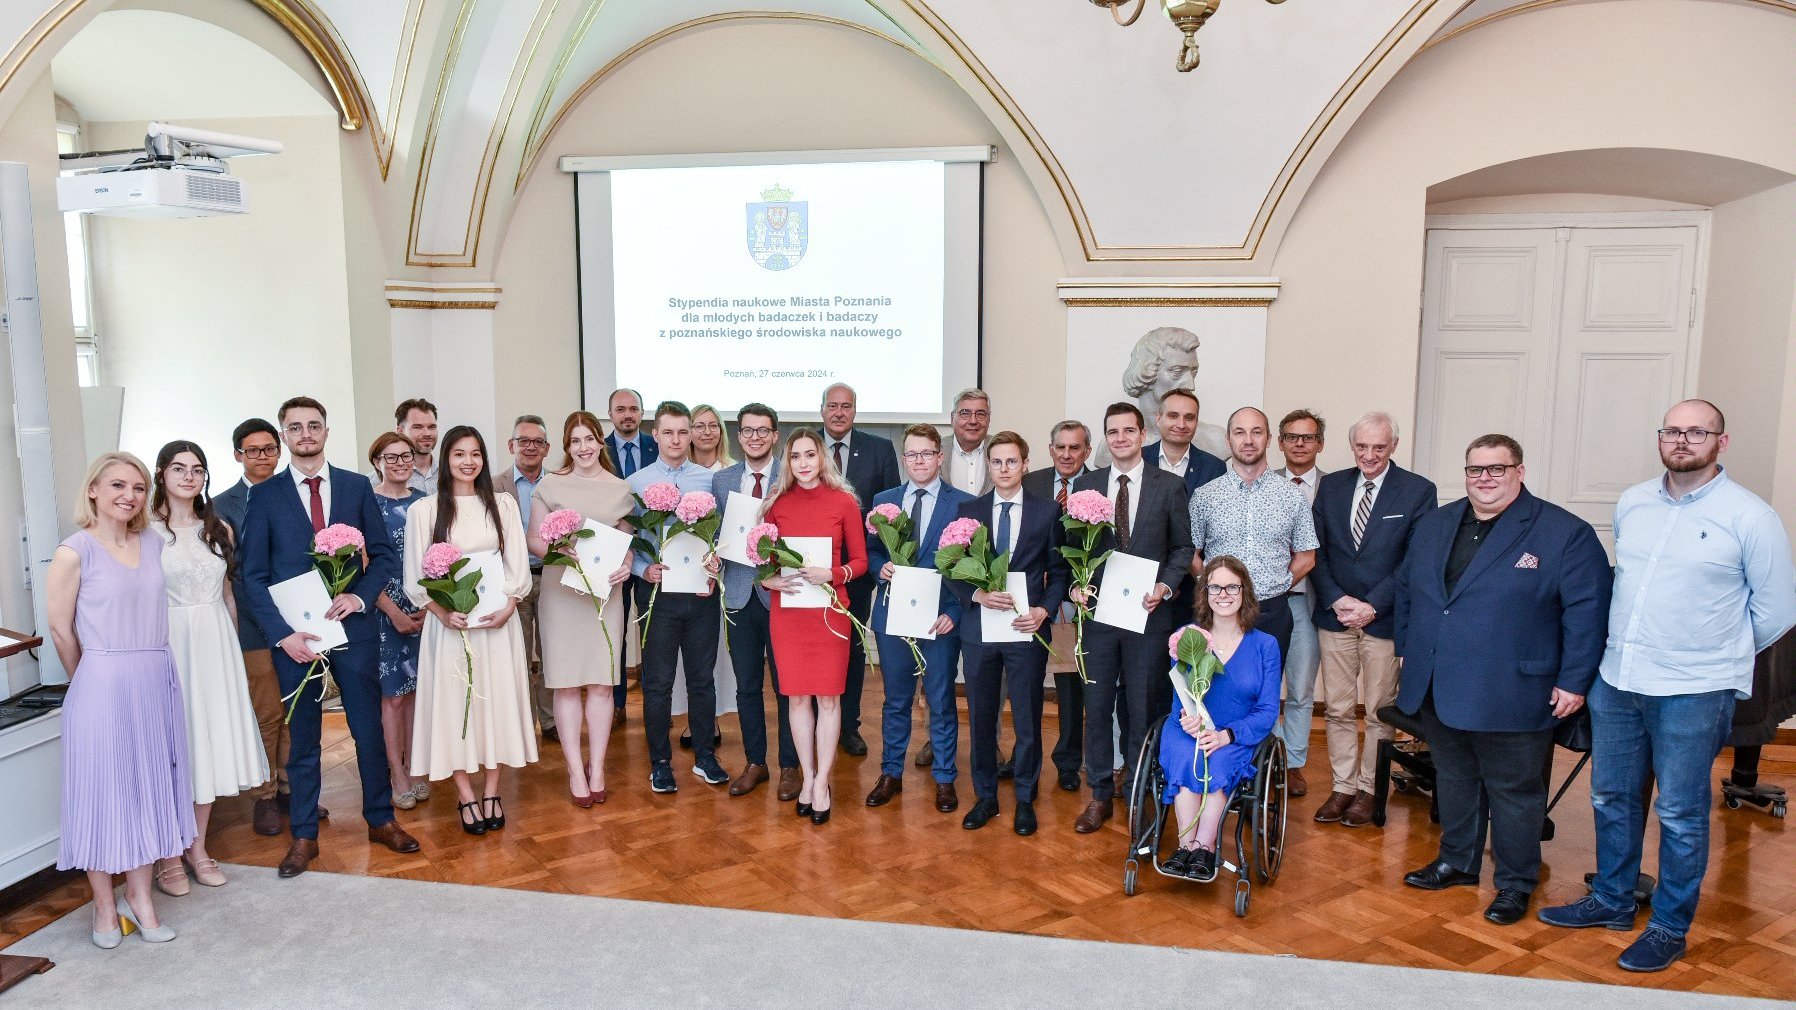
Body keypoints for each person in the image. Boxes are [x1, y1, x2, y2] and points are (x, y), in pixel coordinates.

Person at [1540, 400, 1796, 972]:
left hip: (1694, 689)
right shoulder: (1633, 503)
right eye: (1674, 431)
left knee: (1680, 812)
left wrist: (1708, 652)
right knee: (1611, 797)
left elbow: (1777, 611)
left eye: (1697, 432)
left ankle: (1669, 926)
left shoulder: (1751, 517)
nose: (1683, 440)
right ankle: (1611, 898)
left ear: (1720, 443)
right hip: (1619, 681)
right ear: (1661, 438)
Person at [1394, 434, 1610, 926]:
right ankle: (1458, 862)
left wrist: (1574, 681)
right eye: (1475, 470)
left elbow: (1588, 614)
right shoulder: (1435, 525)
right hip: (1439, 683)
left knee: (1516, 792)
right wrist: (1407, 649)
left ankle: (1515, 882)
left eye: (1497, 468)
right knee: (1455, 780)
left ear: (1520, 471)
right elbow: (1410, 591)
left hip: (1516, 689)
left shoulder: (1563, 533)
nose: (1485, 478)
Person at [239, 396, 419, 878]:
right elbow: (251, 576)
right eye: (294, 427)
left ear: (325, 431)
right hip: (296, 639)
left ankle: (381, 819)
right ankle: (304, 835)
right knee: (303, 740)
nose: (305, 433)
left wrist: (359, 599)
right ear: (284, 435)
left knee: (368, 731)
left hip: (354, 629)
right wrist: (282, 636)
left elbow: (381, 556)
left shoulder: (357, 487)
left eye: (313, 425)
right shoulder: (266, 496)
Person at [47, 452, 195, 946]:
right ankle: (104, 907)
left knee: (150, 790)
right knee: (103, 794)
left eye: (136, 487)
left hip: (155, 674)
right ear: (93, 490)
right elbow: (60, 630)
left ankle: (141, 900)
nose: (128, 495)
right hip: (102, 680)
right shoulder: (74, 551)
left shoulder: (152, 542)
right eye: (116, 485)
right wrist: (88, 676)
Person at [404, 426, 538, 835]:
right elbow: (414, 576)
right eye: (459, 454)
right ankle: (465, 795)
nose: (468, 461)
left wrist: (510, 606)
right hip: (450, 629)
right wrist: (442, 613)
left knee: (495, 704)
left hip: (497, 624)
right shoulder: (425, 511)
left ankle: (493, 790)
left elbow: (517, 562)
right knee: (455, 705)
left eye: (476, 453)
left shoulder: (502, 505)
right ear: (446, 459)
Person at [149, 441, 268, 896]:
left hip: (215, 640)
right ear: (161, 473)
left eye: (197, 469)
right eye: (179, 468)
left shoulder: (217, 528)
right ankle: (168, 856)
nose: (189, 477)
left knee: (209, 746)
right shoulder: (146, 532)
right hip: (170, 639)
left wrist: (232, 651)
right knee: (176, 749)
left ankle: (197, 847)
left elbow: (229, 596)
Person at [1072, 404, 1195, 834]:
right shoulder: (1085, 487)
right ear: (1105, 438)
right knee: (1098, 704)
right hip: (1100, 618)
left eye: (1129, 430)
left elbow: (1182, 548)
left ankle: (1140, 791)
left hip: (1149, 614)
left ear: (1143, 434)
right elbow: (1070, 549)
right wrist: (1076, 584)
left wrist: (1166, 586)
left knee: (1143, 706)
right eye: (1113, 431)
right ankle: (1101, 793)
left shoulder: (1170, 486)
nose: (1121, 438)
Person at [1308, 412, 1435, 827]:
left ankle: (1369, 789)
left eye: (1379, 447)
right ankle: (1342, 787)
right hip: (1336, 615)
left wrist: (1372, 605)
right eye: (1362, 447)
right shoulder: (1332, 485)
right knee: (1339, 708)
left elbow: (1414, 561)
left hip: (1383, 620)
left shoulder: (1417, 491)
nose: (1369, 455)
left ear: (1393, 446)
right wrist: (1336, 598)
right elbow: (1318, 550)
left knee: (1380, 710)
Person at [953, 432, 1070, 835]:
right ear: (989, 465)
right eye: (997, 462)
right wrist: (976, 593)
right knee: (982, 717)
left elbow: (1060, 571)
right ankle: (985, 796)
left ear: (1025, 463)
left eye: (1012, 461)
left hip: (1026, 629)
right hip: (980, 631)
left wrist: (1044, 609)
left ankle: (1024, 797)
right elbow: (950, 568)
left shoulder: (1046, 512)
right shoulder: (969, 511)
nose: (1004, 468)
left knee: (1026, 718)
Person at [760, 428, 870, 825]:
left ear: (822, 458)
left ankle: (823, 781)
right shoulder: (776, 504)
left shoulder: (844, 502)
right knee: (796, 699)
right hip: (788, 613)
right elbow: (762, 560)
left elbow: (861, 561)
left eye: (810, 455)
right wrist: (766, 579)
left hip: (830, 613)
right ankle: (806, 778)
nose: (803, 463)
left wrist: (834, 573)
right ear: (786, 463)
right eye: (795, 457)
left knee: (828, 699)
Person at [864, 424, 974, 813]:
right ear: (904, 458)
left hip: (938, 621)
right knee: (895, 701)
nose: (919, 461)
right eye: (911, 454)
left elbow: (971, 568)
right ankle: (890, 773)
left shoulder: (964, 504)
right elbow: (871, 552)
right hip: (894, 617)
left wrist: (955, 613)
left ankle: (945, 778)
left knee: (941, 701)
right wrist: (881, 568)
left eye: (926, 453)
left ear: (940, 457)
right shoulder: (885, 500)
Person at [526, 411, 634, 806]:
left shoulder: (620, 488)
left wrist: (625, 564)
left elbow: (627, 540)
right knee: (567, 683)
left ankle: (598, 767)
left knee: (603, 683)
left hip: (605, 596)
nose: (584, 447)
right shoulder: (550, 485)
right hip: (562, 593)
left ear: (600, 443)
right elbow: (534, 539)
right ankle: (575, 771)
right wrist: (560, 550)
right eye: (575, 441)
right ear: (567, 446)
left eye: (590, 439)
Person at [628, 401, 730, 793]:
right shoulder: (636, 482)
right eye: (667, 432)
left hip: (700, 595)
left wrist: (715, 559)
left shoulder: (708, 481)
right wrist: (642, 569)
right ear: (655, 435)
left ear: (691, 435)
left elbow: (720, 536)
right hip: (657, 595)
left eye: (683, 432)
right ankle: (660, 762)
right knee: (657, 683)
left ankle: (705, 755)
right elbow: (631, 541)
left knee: (703, 679)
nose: (676, 439)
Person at [1158, 556, 1282, 880]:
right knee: (1186, 756)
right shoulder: (1190, 638)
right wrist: (1186, 718)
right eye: (1215, 586)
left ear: (1244, 592)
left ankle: (1204, 847)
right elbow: (1180, 696)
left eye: (1231, 587)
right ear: (1205, 592)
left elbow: (1268, 711)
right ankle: (1186, 848)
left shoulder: (1265, 646)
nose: (1223, 594)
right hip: (1190, 729)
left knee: (1218, 762)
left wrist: (1227, 734)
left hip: (1236, 734)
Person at [212, 417, 302, 837]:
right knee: (266, 713)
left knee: (294, 710)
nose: (263, 456)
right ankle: (264, 796)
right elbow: (234, 574)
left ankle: (290, 788)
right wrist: (269, 619)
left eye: (270, 448)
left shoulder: (291, 493)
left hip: (298, 621)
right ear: (238, 455)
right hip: (253, 626)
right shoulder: (222, 505)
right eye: (253, 450)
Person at [708, 404, 799, 799]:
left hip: (782, 595)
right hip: (740, 596)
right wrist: (712, 552)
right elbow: (719, 535)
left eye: (763, 430)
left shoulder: (792, 475)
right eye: (748, 431)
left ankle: (791, 765)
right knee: (747, 686)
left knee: (786, 686)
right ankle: (755, 762)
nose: (755, 437)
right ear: (739, 435)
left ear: (776, 435)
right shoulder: (722, 480)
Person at [1188, 406, 1318, 662]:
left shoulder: (1291, 495)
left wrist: (1276, 585)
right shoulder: (1205, 495)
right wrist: (1212, 585)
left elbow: (1307, 557)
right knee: (1215, 691)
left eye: (1256, 432)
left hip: (1271, 611)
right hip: (1217, 610)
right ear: (1228, 440)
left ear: (1269, 439)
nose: (1248, 440)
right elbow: (1190, 553)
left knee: (1266, 692)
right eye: (1240, 433)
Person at [818, 382, 900, 757]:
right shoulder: (806, 449)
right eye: (832, 405)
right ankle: (815, 720)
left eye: (846, 406)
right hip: (810, 568)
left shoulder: (880, 450)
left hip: (858, 569)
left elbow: (890, 513)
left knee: (850, 648)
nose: (839, 412)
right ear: (822, 410)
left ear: (854, 411)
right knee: (815, 647)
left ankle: (847, 725)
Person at [1025, 420, 1094, 793]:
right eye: (1060, 447)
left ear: (1086, 450)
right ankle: (1026, 759)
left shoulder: (1098, 484)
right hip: (1030, 599)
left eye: (1075, 448)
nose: (1067, 454)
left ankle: (1068, 761)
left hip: (1074, 602)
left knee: (1070, 684)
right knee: (1027, 682)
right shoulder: (1030, 482)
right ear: (1050, 449)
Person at [369, 433, 427, 809]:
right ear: (376, 461)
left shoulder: (426, 504)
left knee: (417, 695)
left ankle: (417, 765)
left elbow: (440, 557)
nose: (400, 463)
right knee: (392, 697)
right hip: (381, 610)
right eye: (391, 457)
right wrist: (393, 611)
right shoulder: (366, 504)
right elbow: (357, 568)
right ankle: (397, 773)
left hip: (425, 609)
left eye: (406, 456)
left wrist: (429, 605)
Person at [1271, 408, 1326, 799]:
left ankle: (1292, 763)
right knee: (1264, 686)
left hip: (1308, 602)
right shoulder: (1262, 484)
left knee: (1302, 688)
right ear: (1280, 442)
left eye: (1307, 437)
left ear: (1320, 444)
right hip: (1266, 603)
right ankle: (1269, 757)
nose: (1300, 443)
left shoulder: (1336, 487)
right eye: (1292, 436)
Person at [675, 403, 734, 751]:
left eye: (714, 425)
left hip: (724, 573)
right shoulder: (681, 474)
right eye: (699, 425)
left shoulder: (731, 472)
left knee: (717, 652)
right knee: (690, 653)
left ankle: (711, 716)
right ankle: (693, 717)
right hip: (685, 575)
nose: (707, 431)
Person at [495, 415, 554, 741]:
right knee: (516, 656)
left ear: (546, 448)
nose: (530, 446)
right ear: (511, 445)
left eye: (537, 442)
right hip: (512, 585)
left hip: (551, 580)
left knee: (550, 655)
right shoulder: (491, 485)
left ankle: (549, 722)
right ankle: (520, 726)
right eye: (523, 440)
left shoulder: (558, 484)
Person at [605, 388, 655, 724]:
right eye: (621, 409)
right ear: (610, 414)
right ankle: (617, 702)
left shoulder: (657, 446)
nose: (628, 415)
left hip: (651, 554)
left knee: (653, 631)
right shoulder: (598, 449)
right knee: (616, 628)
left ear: (641, 413)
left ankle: (656, 702)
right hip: (610, 554)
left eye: (633, 409)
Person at [1141, 389, 1226, 492]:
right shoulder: (1138, 458)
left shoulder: (1215, 468)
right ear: (1159, 419)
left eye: (1189, 418)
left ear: (1196, 422)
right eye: (1173, 416)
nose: (1181, 425)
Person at [946, 387, 993, 497]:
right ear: (952, 418)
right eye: (965, 413)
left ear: (989, 419)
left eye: (980, 414)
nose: (973, 421)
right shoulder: (936, 450)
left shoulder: (1003, 449)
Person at [395, 398, 440, 495]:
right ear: (400, 431)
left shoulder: (450, 472)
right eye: (417, 427)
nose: (427, 433)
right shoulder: (379, 480)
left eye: (432, 427)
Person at [689, 403, 735, 469]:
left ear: (721, 430)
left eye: (713, 426)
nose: (707, 432)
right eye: (699, 426)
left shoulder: (733, 470)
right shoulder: (678, 469)